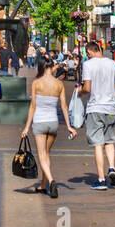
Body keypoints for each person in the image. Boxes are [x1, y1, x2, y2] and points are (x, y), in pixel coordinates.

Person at [80, 40, 115, 189]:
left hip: (95, 108)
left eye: (87, 54)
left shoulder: (88, 65)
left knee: (98, 144)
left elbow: (87, 88)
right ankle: (111, 167)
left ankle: (102, 180)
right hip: (111, 109)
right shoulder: (113, 64)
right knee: (109, 141)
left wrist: (79, 91)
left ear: (90, 52)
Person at [21, 55, 77, 197]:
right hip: (53, 123)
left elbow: (32, 107)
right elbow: (64, 106)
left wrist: (27, 127)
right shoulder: (59, 84)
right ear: (51, 67)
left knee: (41, 155)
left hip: (39, 122)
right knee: (47, 154)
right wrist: (69, 126)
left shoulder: (37, 83)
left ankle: (51, 181)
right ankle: (43, 185)